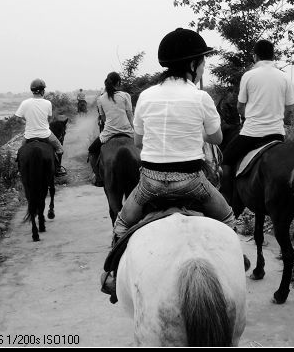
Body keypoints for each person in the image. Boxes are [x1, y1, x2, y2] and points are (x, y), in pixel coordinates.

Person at [101, 28, 236, 297]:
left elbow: (138, 143)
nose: (203, 67)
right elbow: (217, 137)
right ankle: (236, 261)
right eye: (202, 61)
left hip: (150, 183)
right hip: (193, 183)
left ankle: (112, 275)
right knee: (228, 218)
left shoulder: (146, 97)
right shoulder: (201, 97)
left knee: (122, 225)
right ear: (192, 64)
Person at [221, 39, 294, 206]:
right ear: (273, 56)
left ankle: (226, 199)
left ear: (255, 56)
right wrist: (282, 119)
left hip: (251, 133)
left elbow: (240, 106)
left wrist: (247, 115)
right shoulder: (284, 77)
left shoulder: (248, 76)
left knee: (226, 159)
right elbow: (290, 108)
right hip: (277, 134)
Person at [88, 72, 134, 187]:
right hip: (128, 131)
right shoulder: (125, 95)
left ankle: (99, 178)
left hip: (108, 133)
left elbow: (103, 118)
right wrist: (133, 128)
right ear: (118, 83)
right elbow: (130, 114)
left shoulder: (101, 99)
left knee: (92, 151)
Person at [14, 78, 66, 176]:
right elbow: (49, 119)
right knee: (60, 149)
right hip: (45, 134)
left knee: (19, 153)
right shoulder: (48, 103)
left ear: (32, 91)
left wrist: (26, 122)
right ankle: (58, 168)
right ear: (42, 91)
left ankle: (20, 171)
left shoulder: (25, 103)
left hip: (29, 135)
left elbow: (17, 118)